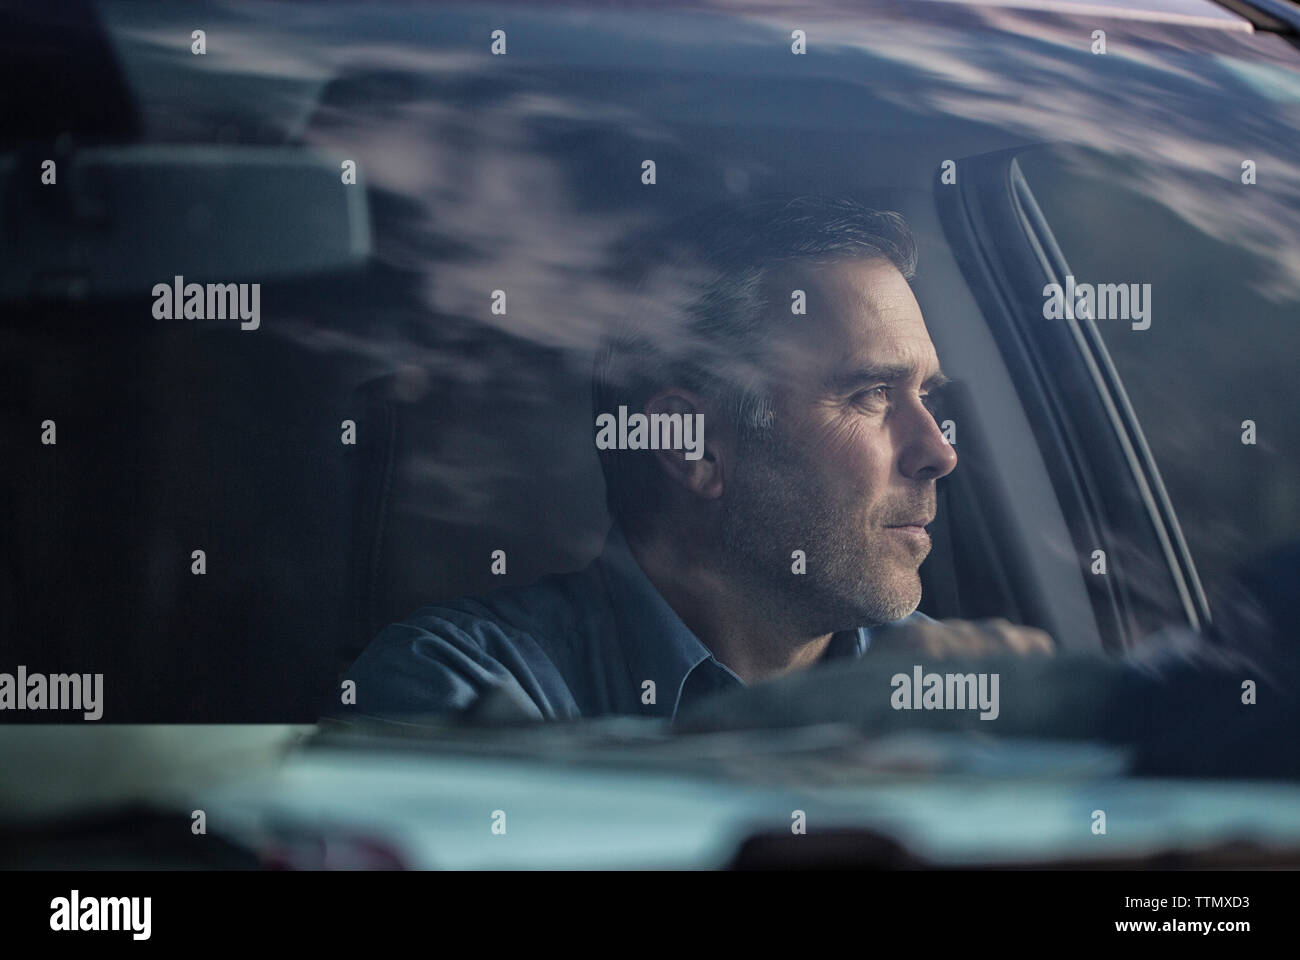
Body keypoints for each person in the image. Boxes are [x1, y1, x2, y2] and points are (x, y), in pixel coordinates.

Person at [339, 197, 1053, 723]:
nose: (939, 451)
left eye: (926, 395)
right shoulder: (463, 688)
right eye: (870, 394)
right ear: (691, 445)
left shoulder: (961, 689)